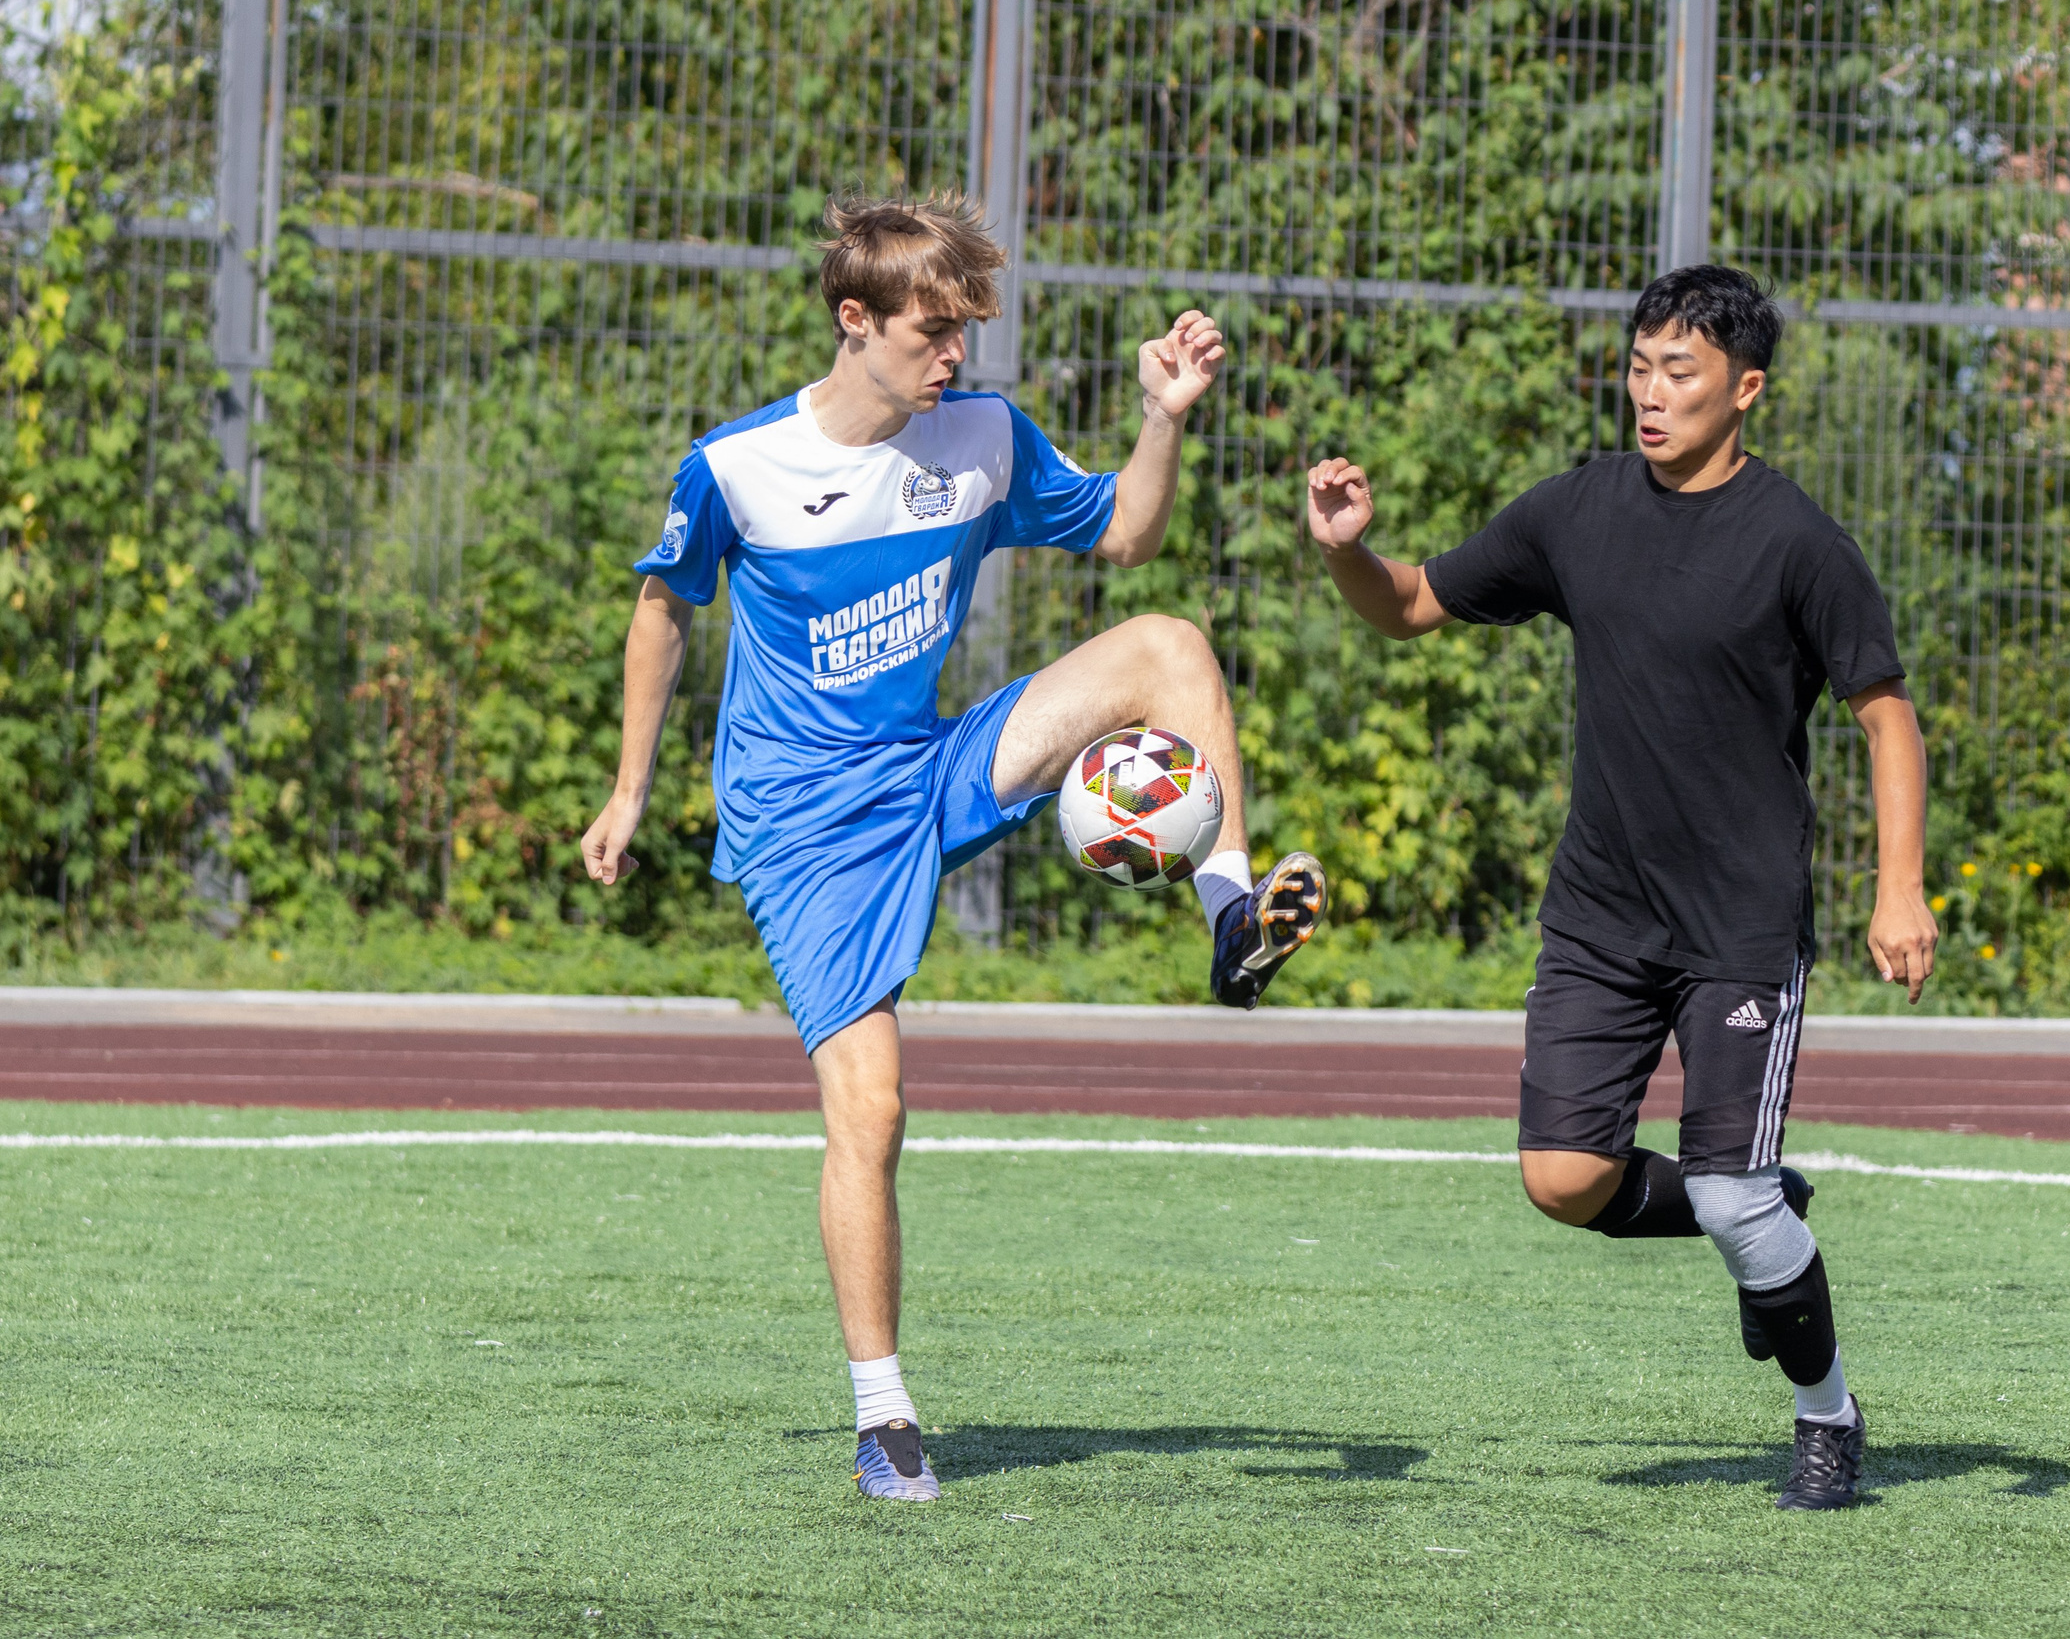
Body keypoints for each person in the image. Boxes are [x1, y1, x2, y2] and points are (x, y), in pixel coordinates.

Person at [580, 190, 1327, 1503]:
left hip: (928, 765)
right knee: (871, 1107)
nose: (955, 355)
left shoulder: (980, 436)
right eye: (932, 331)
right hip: (805, 825)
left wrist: (1163, 415)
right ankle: (884, 1416)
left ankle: (1228, 916)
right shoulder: (740, 466)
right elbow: (662, 607)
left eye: (965, 330)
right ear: (853, 319)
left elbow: (1126, 533)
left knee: (1169, 646)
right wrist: (630, 787)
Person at [1304, 264, 1934, 1511]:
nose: (1649, 393)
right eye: (1639, 367)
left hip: (1739, 924)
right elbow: (1412, 605)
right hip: (1600, 914)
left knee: (1731, 1198)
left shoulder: (1799, 542)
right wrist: (1348, 551)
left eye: (1678, 373)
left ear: (1744, 390)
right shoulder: (1578, 509)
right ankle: (1762, 1211)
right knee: (1562, 1178)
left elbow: (1886, 715)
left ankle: (1825, 1412)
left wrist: (1898, 887)